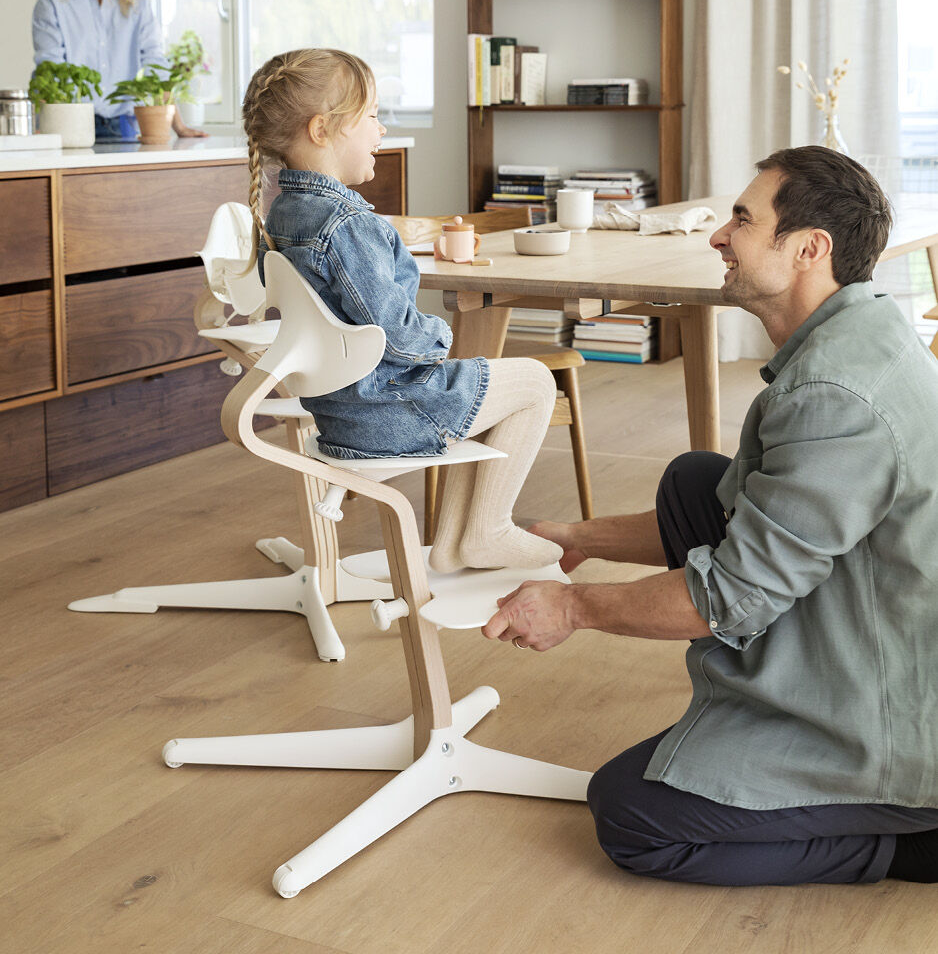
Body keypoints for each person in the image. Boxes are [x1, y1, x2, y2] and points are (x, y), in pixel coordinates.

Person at [483, 146, 938, 886]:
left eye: (742, 220)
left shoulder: (836, 400)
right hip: (884, 613)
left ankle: (907, 843)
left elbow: (727, 596)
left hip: (902, 713)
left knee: (630, 816)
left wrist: (571, 609)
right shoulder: (862, 334)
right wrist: (573, 539)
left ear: (808, 250)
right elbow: (757, 520)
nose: (718, 236)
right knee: (698, 481)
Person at [241, 46, 562, 574]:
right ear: (322, 130)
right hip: (387, 413)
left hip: (340, 413)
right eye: (371, 116)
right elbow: (398, 337)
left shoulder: (284, 214)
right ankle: (489, 530)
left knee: (488, 386)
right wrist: (442, 335)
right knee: (532, 382)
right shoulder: (344, 223)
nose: (381, 129)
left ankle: (460, 543)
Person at [32, 0, 206, 142]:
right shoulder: (53, 2)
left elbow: (155, 63)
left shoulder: (136, 3)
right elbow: (50, 69)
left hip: (126, 126)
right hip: (72, 126)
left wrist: (178, 125)